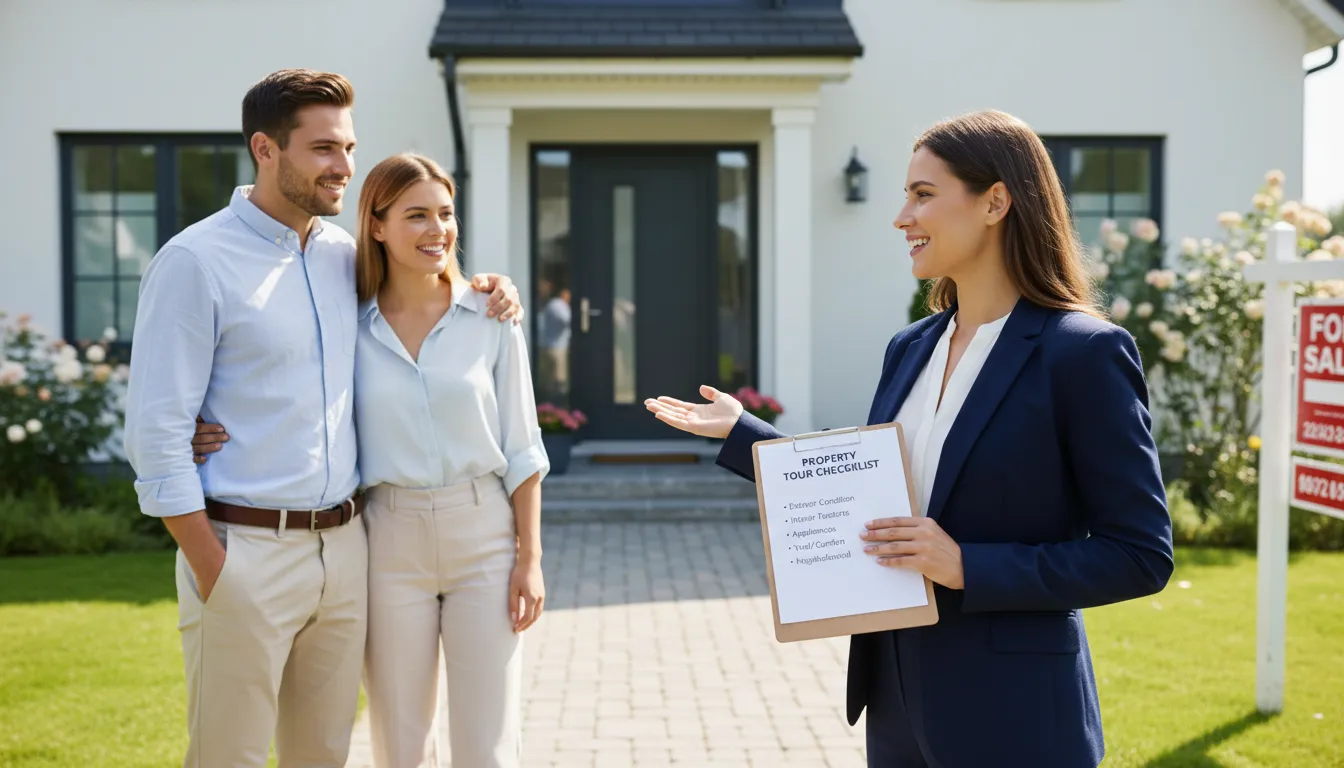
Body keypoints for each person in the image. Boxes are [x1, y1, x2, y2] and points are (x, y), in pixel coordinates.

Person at [644, 109, 1174, 768]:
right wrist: (745, 438)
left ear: (995, 202)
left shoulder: (1083, 354)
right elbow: (871, 496)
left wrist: (965, 566)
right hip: (896, 700)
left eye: (923, 194)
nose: (902, 216)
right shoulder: (911, 348)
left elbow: (1139, 554)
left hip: (1015, 711)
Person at [123, 69, 522, 768]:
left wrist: (490, 287)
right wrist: (212, 564)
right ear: (265, 149)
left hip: (347, 552)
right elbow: (155, 434)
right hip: (243, 549)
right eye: (322, 149)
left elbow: (425, 284)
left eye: (348, 147)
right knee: (230, 756)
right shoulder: (195, 261)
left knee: (325, 755)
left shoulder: (345, 256)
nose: (343, 167)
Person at [194, 152, 549, 768]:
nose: (437, 229)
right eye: (416, 215)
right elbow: (290, 392)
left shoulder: (492, 318)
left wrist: (531, 559)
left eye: (445, 213)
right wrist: (202, 426)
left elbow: (524, 448)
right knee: (399, 739)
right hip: (385, 540)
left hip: (484, 537)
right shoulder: (346, 324)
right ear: (377, 226)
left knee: (487, 744)